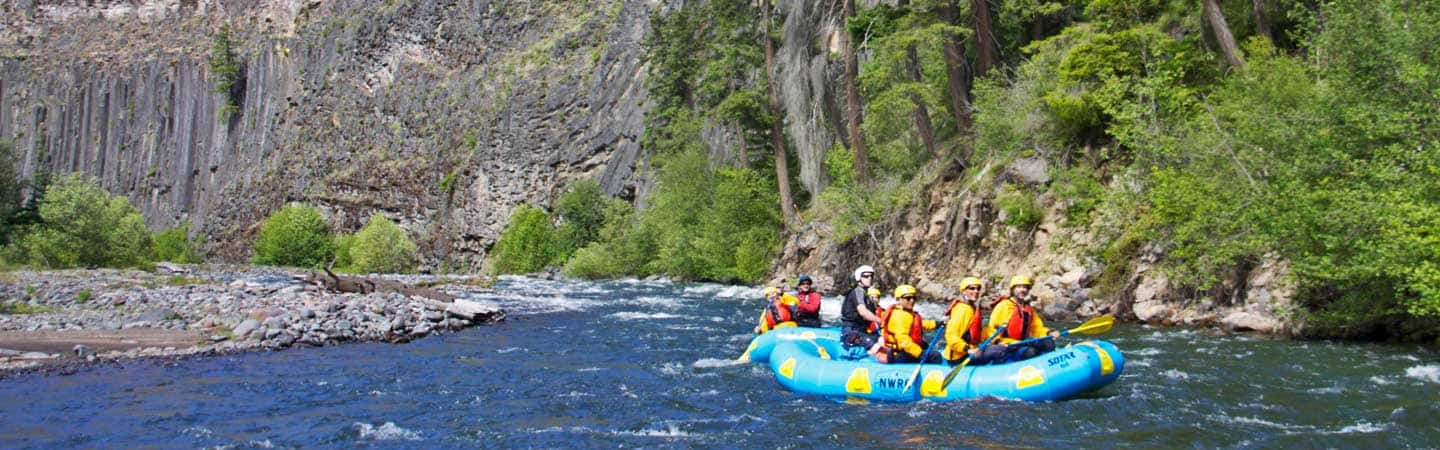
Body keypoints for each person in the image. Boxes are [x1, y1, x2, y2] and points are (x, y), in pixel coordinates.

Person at [984, 275, 1060, 361]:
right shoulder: (1003, 306)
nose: (1023, 290)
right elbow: (992, 328)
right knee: (1031, 352)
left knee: (1048, 342)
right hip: (1008, 344)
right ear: (1013, 289)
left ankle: (1051, 365)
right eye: (1019, 287)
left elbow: (1037, 328)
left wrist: (1049, 332)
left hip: (1023, 342)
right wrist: (998, 342)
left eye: (1025, 287)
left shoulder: (1028, 309)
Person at [942, 277, 1005, 365]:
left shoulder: (971, 308)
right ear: (963, 291)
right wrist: (967, 349)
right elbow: (950, 335)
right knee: (999, 351)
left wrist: (997, 339)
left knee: (999, 347)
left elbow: (976, 333)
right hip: (959, 357)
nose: (976, 291)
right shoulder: (961, 309)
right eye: (972, 288)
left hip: (969, 350)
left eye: (978, 288)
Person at [878, 284, 941, 364]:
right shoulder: (899, 316)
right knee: (935, 356)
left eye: (913, 298)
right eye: (908, 298)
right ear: (898, 299)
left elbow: (918, 324)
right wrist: (919, 353)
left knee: (925, 345)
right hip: (899, 354)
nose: (912, 300)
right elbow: (903, 341)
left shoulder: (907, 313)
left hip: (906, 350)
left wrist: (936, 324)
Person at [839, 265, 883, 351]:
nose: (869, 278)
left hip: (862, 331)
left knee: (883, 340)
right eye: (866, 276)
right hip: (851, 332)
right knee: (876, 347)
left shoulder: (867, 295)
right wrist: (880, 321)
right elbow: (863, 312)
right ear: (859, 278)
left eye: (871, 276)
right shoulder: (858, 291)